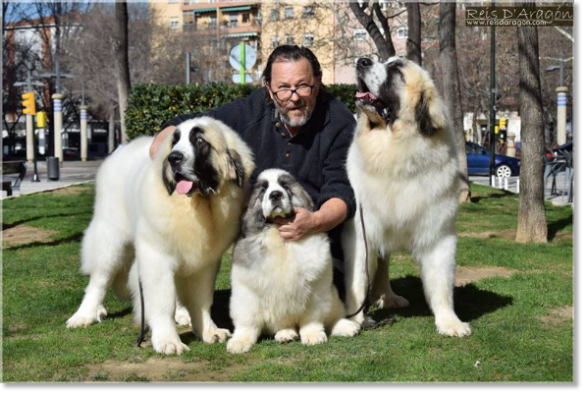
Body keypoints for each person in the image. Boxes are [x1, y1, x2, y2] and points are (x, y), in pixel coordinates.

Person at [150, 45, 356, 298]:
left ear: (318, 82)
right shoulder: (249, 110)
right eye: (283, 88)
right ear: (269, 89)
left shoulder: (339, 121)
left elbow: (342, 191)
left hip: (316, 237)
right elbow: (197, 122)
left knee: (324, 301)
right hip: (256, 240)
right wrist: (164, 143)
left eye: (303, 86)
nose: (294, 97)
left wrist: (314, 222)